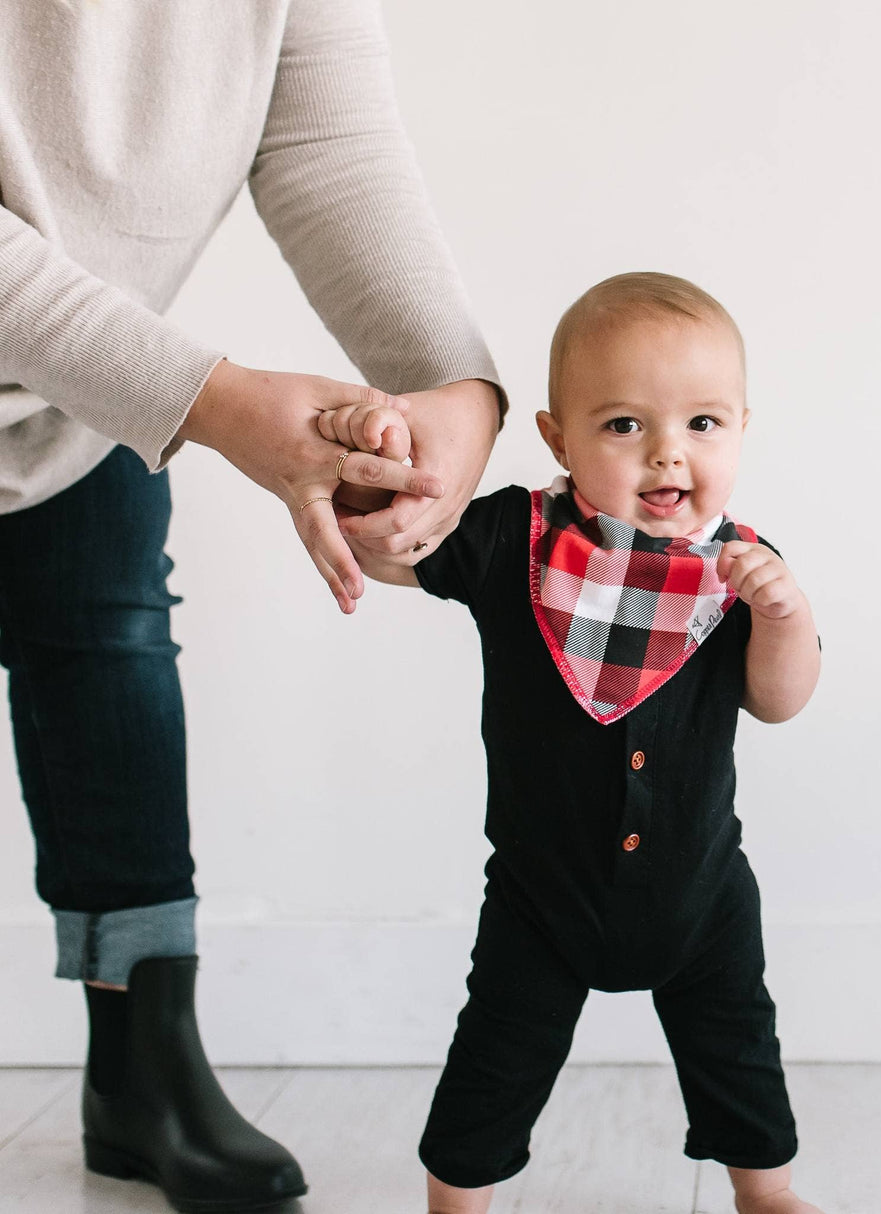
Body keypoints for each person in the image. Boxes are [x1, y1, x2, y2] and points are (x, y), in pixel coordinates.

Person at [0, 2, 502, 1209]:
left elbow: (329, 146)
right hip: (104, 364)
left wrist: (452, 392)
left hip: (71, 393)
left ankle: (141, 1067)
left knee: (110, 669)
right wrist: (214, 402)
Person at [324, 272, 825, 1214]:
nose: (668, 453)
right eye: (625, 425)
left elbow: (779, 701)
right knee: (498, 1056)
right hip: (541, 898)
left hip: (701, 891)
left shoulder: (742, 570)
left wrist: (787, 616)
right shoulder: (516, 538)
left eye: (704, 424)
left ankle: (766, 1191)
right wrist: (378, 480)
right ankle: (458, 1198)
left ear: (744, 429)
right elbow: (395, 548)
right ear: (559, 436)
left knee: (738, 1049)